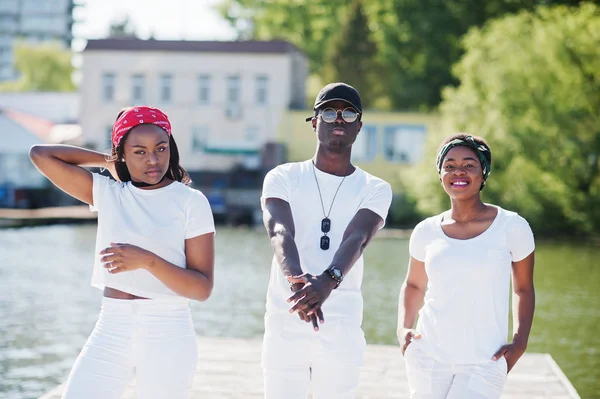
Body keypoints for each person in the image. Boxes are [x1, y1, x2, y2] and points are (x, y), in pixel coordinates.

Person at [29, 106, 215, 399]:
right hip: (111, 327)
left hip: (167, 330)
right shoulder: (109, 193)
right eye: (139, 151)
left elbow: (201, 288)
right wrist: (106, 161)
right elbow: (41, 155)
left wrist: (148, 261)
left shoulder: (191, 202)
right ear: (122, 154)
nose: (153, 159)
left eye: (161, 148)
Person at [260, 82, 393, 398]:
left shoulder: (374, 188)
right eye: (329, 112)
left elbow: (358, 238)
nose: (339, 119)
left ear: (358, 127)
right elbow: (280, 231)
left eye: (348, 113)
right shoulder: (282, 176)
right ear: (315, 121)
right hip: (286, 320)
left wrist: (327, 282)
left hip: (341, 325)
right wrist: (298, 282)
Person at [397, 134, 535, 399]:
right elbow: (414, 284)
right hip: (428, 357)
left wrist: (520, 342)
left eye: (469, 165)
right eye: (449, 165)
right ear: (440, 175)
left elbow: (524, 290)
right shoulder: (425, 231)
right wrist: (402, 328)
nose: (458, 171)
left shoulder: (512, 227)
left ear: (484, 173)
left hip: (485, 360)